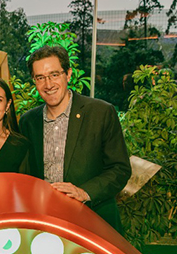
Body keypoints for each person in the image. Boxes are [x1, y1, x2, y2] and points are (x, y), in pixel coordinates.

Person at [18, 45, 131, 232]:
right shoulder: (28, 121)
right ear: (34, 81)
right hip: (46, 225)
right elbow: (26, 176)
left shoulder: (101, 112)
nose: (48, 84)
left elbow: (120, 169)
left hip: (94, 223)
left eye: (54, 75)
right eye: (40, 78)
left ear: (68, 74)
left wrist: (84, 192)